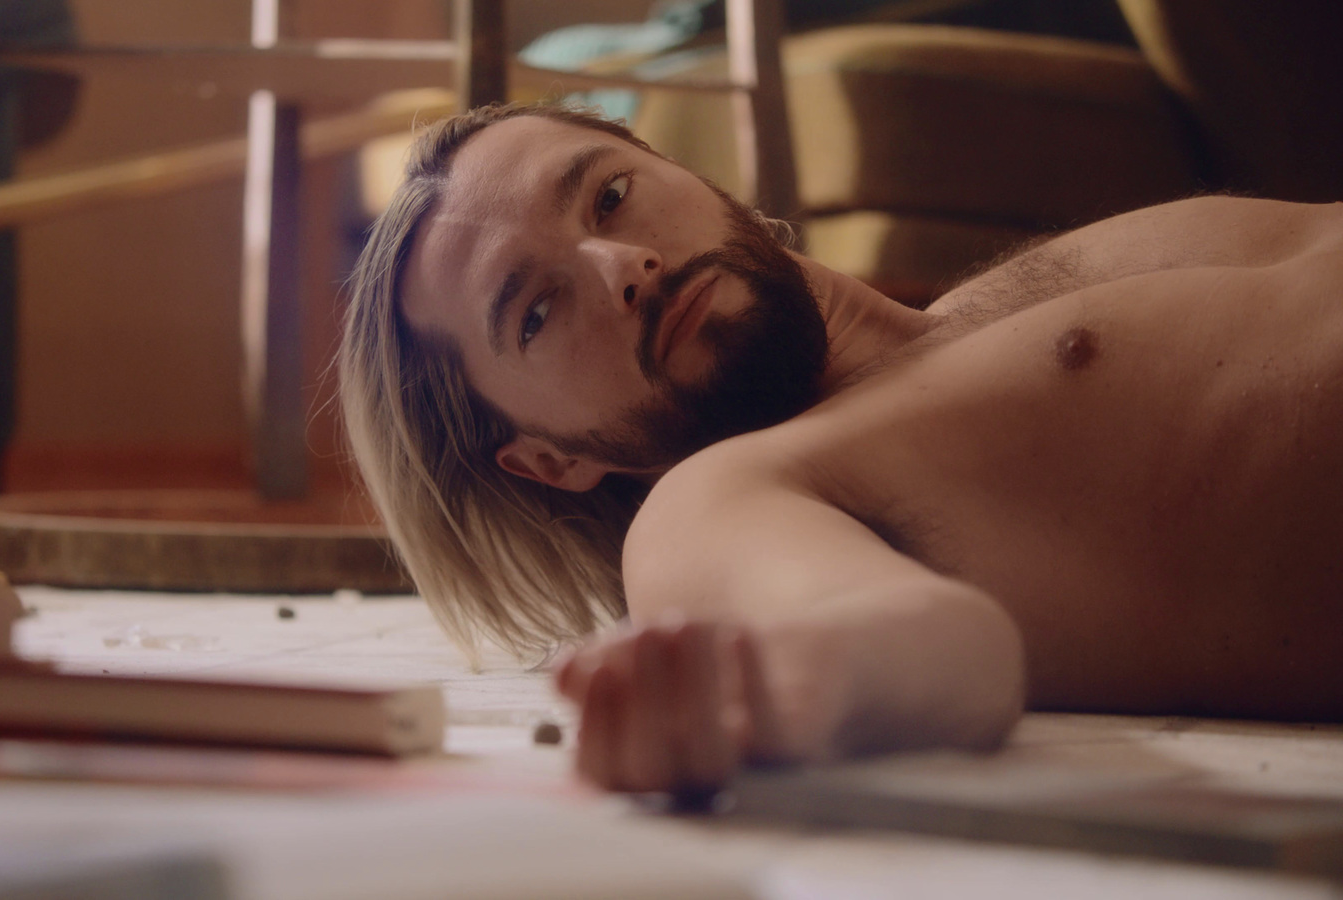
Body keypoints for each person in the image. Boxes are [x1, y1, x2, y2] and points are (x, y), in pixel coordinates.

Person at [337, 102, 1343, 793]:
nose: (623, 262)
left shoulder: (991, 300)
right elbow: (940, 646)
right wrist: (771, 684)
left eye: (607, 196)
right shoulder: (721, 500)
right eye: (539, 308)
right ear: (549, 461)